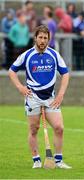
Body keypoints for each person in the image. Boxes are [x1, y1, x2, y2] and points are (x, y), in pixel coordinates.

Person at [8, 25, 71, 169]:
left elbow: (65, 74)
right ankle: (36, 160)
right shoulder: (27, 55)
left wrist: (61, 94)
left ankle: (58, 161)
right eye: (40, 37)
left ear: (49, 39)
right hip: (32, 98)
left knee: (59, 128)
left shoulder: (54, 55)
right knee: (33, 129)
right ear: (35, 38)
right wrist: (20, 87)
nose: (43, 40)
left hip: (50, 98)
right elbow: (12, 71)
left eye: (45, 38)